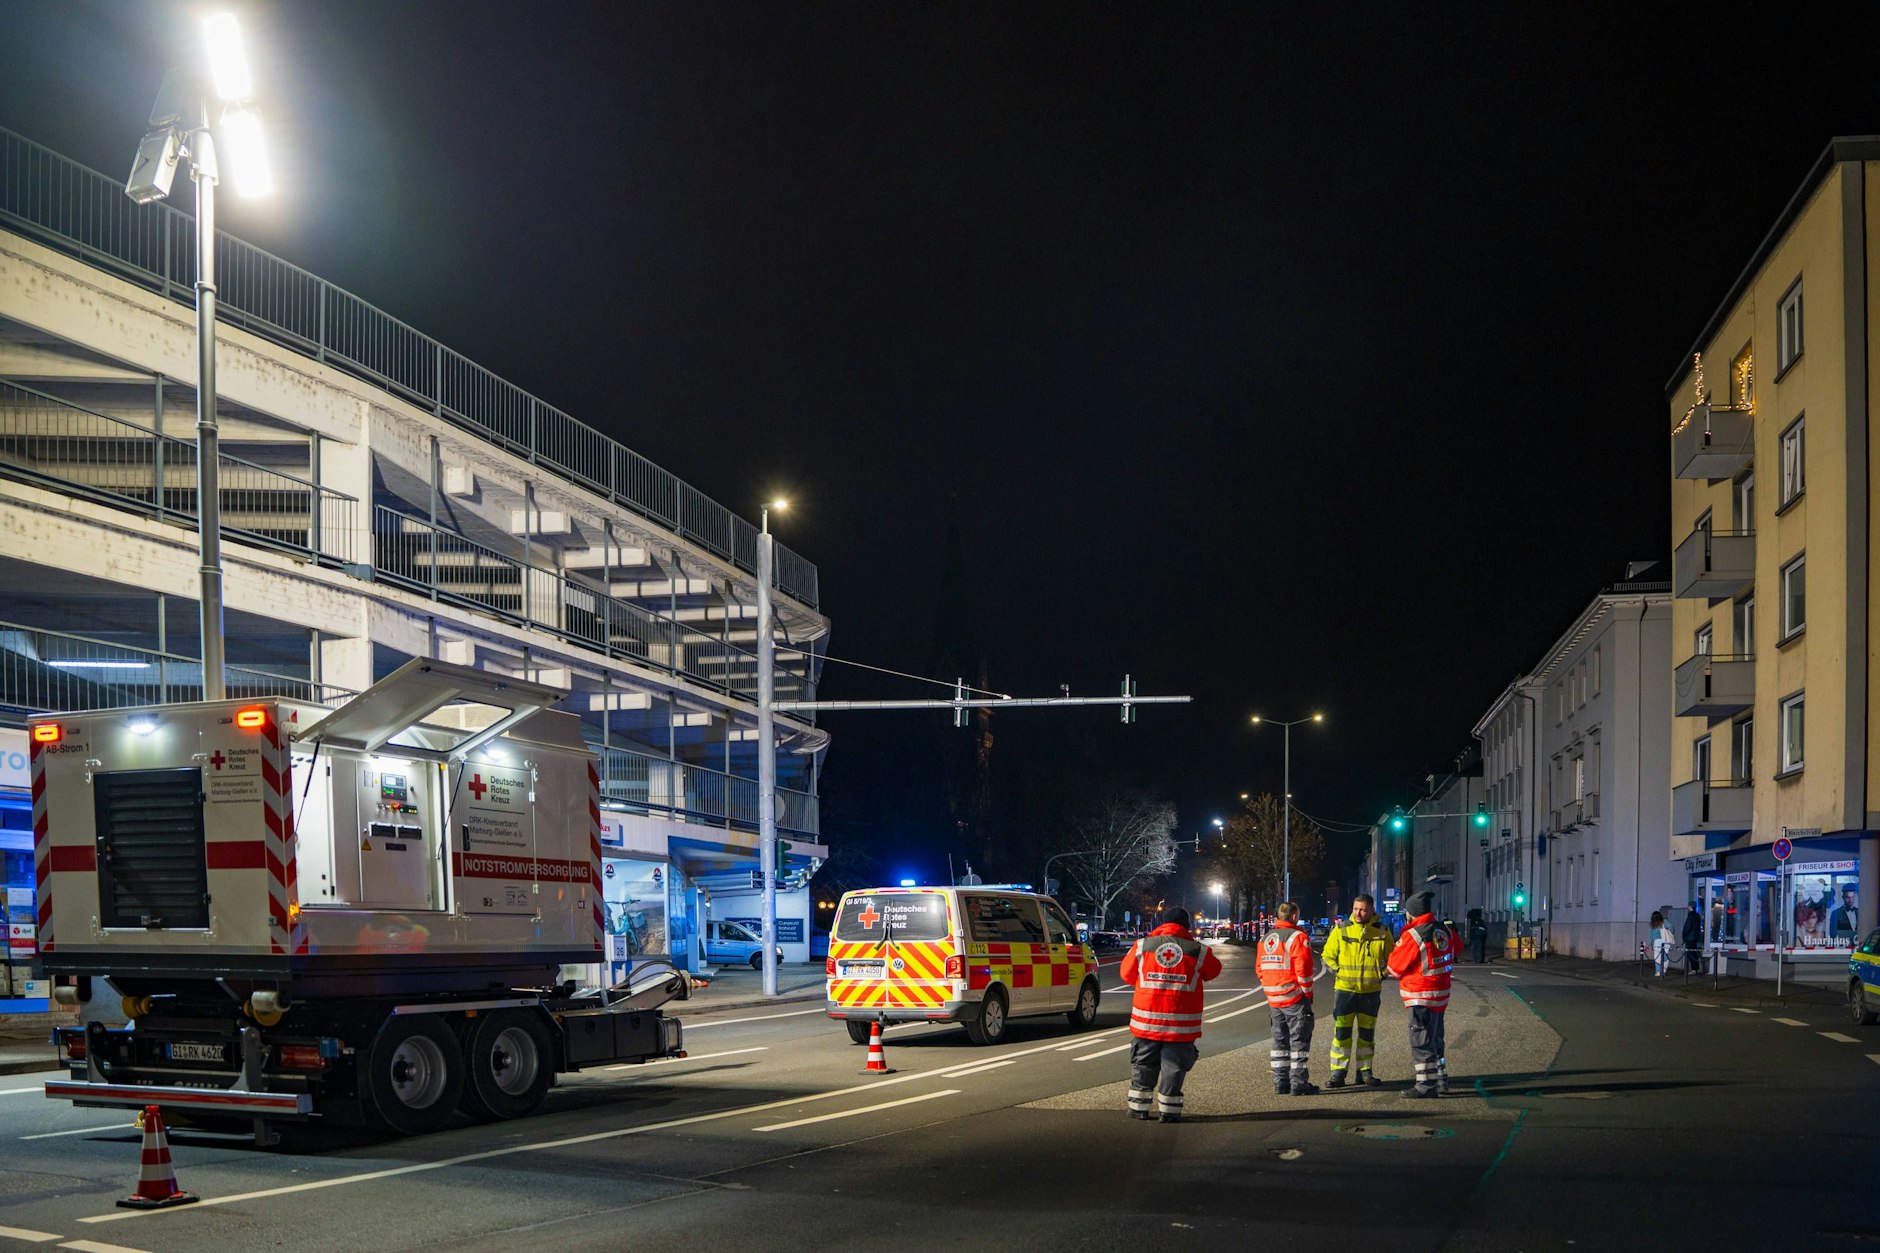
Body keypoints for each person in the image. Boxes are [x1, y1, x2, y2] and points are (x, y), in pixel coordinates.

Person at [1119, 905, 1223, 1123]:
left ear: (1162, 923)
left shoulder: (1142, 946)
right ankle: (1170, 1111)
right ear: (1186, 926)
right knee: (1174, 1065)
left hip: (1146, 1019)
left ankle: (1139, 1107)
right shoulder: (1197, 950)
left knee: (1143, 1062)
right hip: (1180, 1023)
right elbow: (1213, 971)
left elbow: (1126, 975)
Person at [1319, 893, 1393, 1088]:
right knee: (1342, 1034)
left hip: (1370, 991)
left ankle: (1365, 1072)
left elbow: (1394, 959)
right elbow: (1327, 956)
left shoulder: (1382, 932)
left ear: (1371, 911)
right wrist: (1338, 971)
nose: (1358, 913)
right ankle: (1338, 1074)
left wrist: (1382, 974)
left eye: (1363, 910)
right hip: (1345, 991)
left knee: (1367, 1035)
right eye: (1355, 909)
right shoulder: (1341, 930)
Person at [1387, 891, 1454, 1099]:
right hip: (1440, 993)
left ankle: (1425, 1085)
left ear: (1412, 913)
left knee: (1421, 1039)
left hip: (1420, 993)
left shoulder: (1414, 934)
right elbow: (1456, 948)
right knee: (1436, 1037)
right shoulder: (1444, 929)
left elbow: (1395, 967)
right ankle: (1440, 1079)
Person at [1258, 901, 1319, 1096]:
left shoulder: (1265, 938)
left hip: (1274, 998)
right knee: (1299, 1041)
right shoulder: (1298, 937)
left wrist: (1271, 987)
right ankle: (1299, 1083)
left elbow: (1259, 968)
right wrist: (1307, 992)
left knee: (1279, 1042)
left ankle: (1280, 1083)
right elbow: (1304, 968)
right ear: (1294, 916)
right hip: (1294, 997)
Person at [1681, 903, 1704, 974]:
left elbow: (1687, 927)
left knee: (1691, 953)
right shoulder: (1697, 916)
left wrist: (1684, 934)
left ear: (1690, 907)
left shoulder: (1690, 916)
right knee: (1694, 953)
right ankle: (1695, 968)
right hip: (1695, 937)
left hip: (1690, 937)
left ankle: (1694, 969)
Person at [1650, 911, 1673, 975]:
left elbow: (1651, 935)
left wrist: (1650, 944)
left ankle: (1658, 971)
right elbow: (1671, 927)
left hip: (1656, 942)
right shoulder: (1664, 922)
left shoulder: (1652, 924)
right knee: (1665, 956)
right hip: (1665, 940)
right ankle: (1663, 971)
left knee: (1657, 957)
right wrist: (1668, 932)